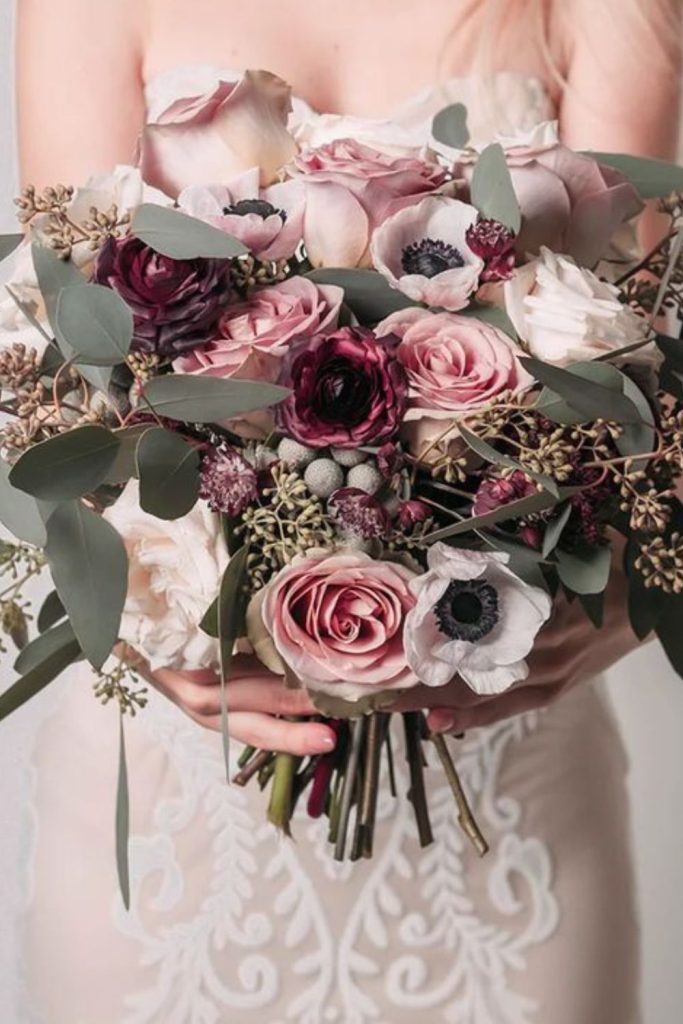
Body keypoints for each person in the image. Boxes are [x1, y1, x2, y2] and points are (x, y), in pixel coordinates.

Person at [11, 1, 681, 1022]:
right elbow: (65, 375)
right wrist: (150, 638)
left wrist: (630, 602)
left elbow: (635, 380)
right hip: (179, 819)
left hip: (507, 799)